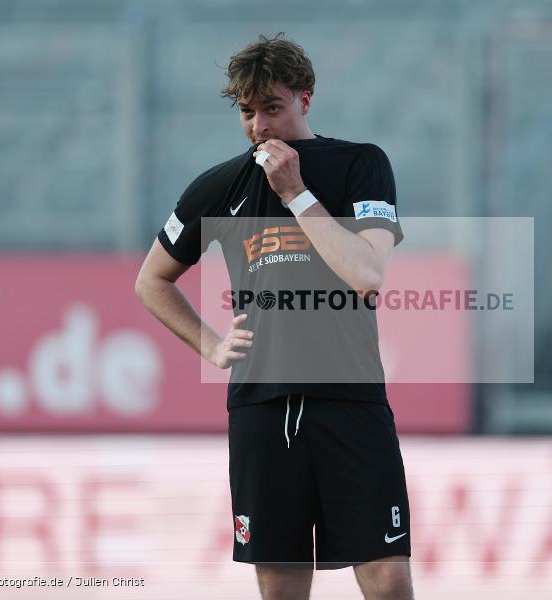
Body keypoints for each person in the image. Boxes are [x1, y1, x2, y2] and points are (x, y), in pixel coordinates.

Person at [135, 33, 414, 600]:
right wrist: (212, 347)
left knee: (387, 577)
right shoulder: (220, 185)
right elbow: (151, 280)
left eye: (273, 108)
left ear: (305, 100)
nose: (259, 126)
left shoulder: (360, 164)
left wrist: (297, 195)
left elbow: (367, 274)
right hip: (262, 403)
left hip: (350, 397)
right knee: (281, 583)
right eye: (247, 111)